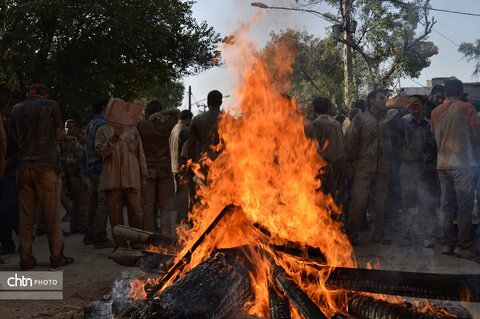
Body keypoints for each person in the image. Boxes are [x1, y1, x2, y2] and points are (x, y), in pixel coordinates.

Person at [9, 83, 74, 269]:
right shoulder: (51, 105)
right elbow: (58, 134)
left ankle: (26, 259)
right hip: (46, 167)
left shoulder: (16, 108)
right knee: (52, 216)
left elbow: (13, 135)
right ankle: (56, 257)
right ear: (44, 95)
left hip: (23, 167)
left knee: (26, 217)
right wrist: (69, 138)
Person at [431, 79, 480, 260]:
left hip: (442, 164)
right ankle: (463, 246)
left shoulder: (435, 112)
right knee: (464, 207)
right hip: (463, 164)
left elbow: (433, 133)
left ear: (445, 93)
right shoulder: (467, 108)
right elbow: (477, 136)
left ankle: (447, 244)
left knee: (447, 206)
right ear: (460, 91)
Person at [96, 104, 148, 249]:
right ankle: (120, 245)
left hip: (132, 177)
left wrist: (143, 174)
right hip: (112, 179)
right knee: (115, 215)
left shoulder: (133, 130)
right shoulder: (102, 130)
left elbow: (140, 154)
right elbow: (100, 152)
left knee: (136, 213)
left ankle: (136, 242)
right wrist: (113, 138)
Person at [344, 88, 391, 246]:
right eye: (381, 98)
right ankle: (352, 234)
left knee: (380, 204)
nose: (385, 101)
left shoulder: (386, 121)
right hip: (363, 168)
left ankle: (378, 234)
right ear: (371, 100)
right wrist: (349, 164)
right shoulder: (360, 118)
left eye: (385, 98)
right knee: (358, 203)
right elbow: (351, 143)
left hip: (383, 169)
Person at [392, 95, 437, 248]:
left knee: (425, 202)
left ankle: (427, 235)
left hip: (423, 167)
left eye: (417, 103)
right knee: (407, 201)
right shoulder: (403, 121)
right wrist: (404, 109)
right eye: (411, 103)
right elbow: (386, 126)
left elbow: (434, 148)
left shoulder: (430, 124)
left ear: (423, 106)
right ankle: (407, 234)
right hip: (406, 167)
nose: (415, 106)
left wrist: (430, 166)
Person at [137, 101, 179, 235]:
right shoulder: (165, 126)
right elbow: (177, 112)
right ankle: (166, 233)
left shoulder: (141, 126)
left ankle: (149, 235)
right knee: (164, 204)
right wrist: (162, 113)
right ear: (158, 113)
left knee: (148, 205)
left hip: (148, 169)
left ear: (147, 112)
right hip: (163, 169)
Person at [84, 97, 114, 249]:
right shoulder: (103, 124)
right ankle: (100, 237)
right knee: (102, 203)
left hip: (90, 168)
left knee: (92, 202)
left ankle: (88, 234)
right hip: (100, 168)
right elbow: (106, 148)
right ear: (104, 107)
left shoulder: (90, 124)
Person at [304, 96, 345, 207]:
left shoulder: (315, 124)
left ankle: (322, 222)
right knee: (334, 199)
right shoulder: (336, 123)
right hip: (337, 167)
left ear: (314, 109)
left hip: (321, 168)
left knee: (320, 198)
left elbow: (310, 147)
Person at [59, 119, 85, 233]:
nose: (68, 129)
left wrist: (64, 160)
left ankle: (77, 225)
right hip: (65, 174)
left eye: (70, 127)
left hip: (75, 175)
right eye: (66, 127)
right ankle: (76, 224)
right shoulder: (62, 142)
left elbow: (77, 161)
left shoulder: (77, 144)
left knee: (79, 201)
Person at [169, 109, 193, 225]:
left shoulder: (174, 129)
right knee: (183, 195)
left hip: (174, 166)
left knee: (178, 193)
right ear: (187, 119)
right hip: (182, 167)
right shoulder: (185, 130)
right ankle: (182, 218)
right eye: (190, 120)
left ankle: (180, 217)